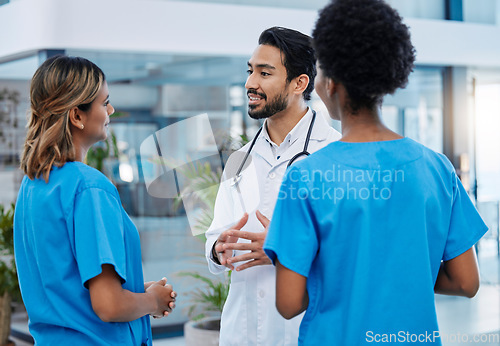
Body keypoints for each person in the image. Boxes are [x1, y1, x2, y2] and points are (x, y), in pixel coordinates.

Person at [263, 1, 489, 345]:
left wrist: (343, 275)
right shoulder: (437, 168)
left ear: (332, 84)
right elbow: (466, 283)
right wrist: (402, 274)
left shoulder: (306, 177)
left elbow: (289, 303)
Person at [14, 55, 176, 346]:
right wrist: (152, 302)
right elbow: (109, 306)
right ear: (77, 115)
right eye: (104, 103)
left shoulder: (33, 185)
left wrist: (138, 291)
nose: (111, 109)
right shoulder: (89, 187)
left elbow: (67, 288)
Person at [204, 27, 341, 345]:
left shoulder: (334, 153)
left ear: (299, 83)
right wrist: (218, 248)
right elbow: (214, 237)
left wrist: (285, 247)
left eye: (265, 73)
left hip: (304, 332)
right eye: (250, 71)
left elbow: (352, 253)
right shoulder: (239, 160)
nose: (251, 83)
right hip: (241, 333)